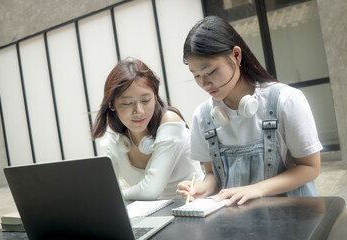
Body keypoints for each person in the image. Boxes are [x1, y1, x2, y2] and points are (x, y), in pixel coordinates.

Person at [176, 16, 322, 206]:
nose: (204, 84)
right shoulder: (203, 116)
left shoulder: (286, 100)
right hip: (239, 223)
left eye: (210, 71)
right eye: (196, 75)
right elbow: (213, 174)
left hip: (293, 215)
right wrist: (202, 188)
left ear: (236, 55)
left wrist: (257, 189)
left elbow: (310, 167)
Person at [92, 58, 204, 200]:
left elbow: (150, 190)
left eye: (146, 100)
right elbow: (105, 185)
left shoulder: (170, 122)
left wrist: (113, 196)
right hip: (151, 215)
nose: (139, 111)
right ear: (112, 105)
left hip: (190, 208)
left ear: (155, 98)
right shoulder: (115, 137)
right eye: (127, 103)